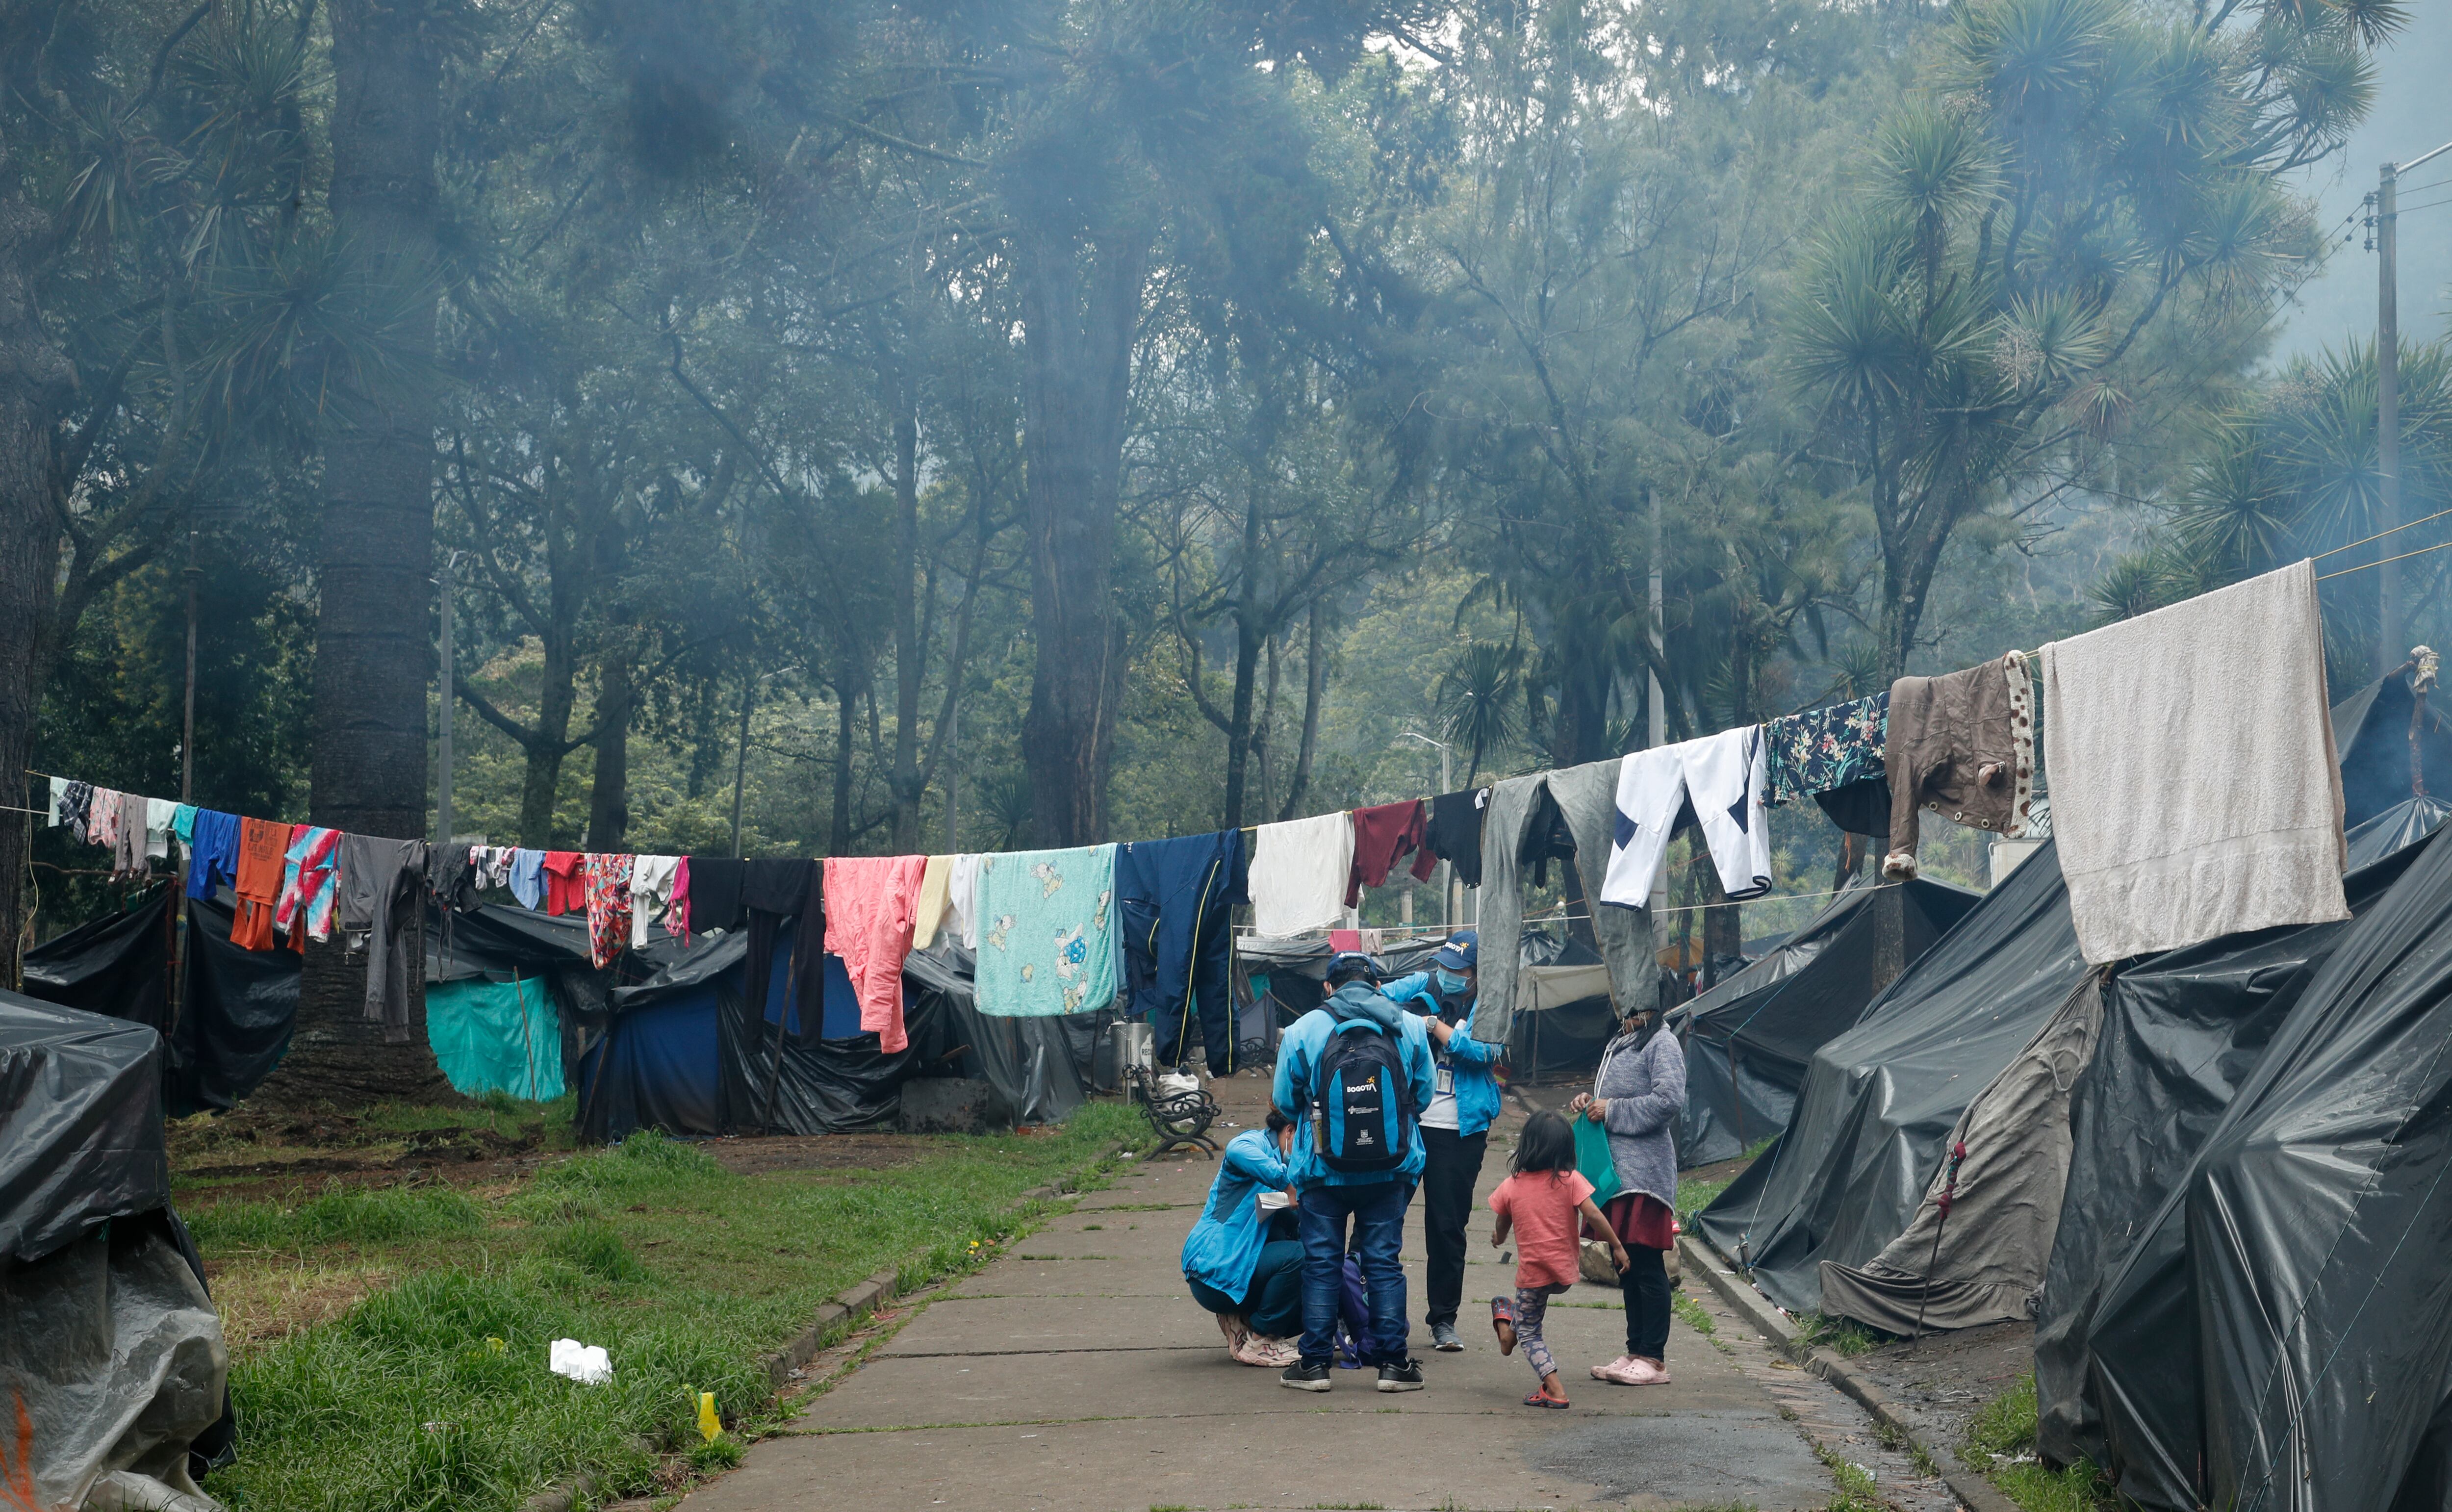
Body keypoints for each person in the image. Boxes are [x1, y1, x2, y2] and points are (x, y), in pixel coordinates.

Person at [1271, 950, 1437, 1393]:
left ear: (1329, 987)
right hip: (1390, 1170)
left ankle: (1314, 1365)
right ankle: (1394, 1365)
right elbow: (1422, 1096)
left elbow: (1286, 1101)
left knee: (1321, 1264)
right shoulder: (1409, 1027)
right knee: (1383, 1262)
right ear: (1377, 984)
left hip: (1322, 1170)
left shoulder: (1305, 1029)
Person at [1381, 929, 1501, 1353]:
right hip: (1412, 1122)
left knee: (1447, 1227)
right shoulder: (1426, 983)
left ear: (1476, 975)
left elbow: (1485, 1051)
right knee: (1384, 1215)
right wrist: (1411, 1013)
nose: (1446, 975)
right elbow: (1378, 998)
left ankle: (1443, 1321)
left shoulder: (1495, 1003)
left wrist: (1434, 1025)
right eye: (1443, 965)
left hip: (1461, 1130)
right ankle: (1369, 1311)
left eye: (1457, 970)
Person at [1571, 995, 1687, 1385]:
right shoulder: (1623, 1041)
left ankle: (1654, 1359)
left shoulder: (1662, 1042)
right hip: (1618, 1176)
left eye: (1633, 1006)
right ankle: (1635, 1349)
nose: (1625, 1013)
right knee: (1628, 1266)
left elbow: (1669, 1100)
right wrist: (1591, 1102)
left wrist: (1613, 1110)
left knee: (1647, 1264)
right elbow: (1614, 1096)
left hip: (1645, 1175)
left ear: (1650, 1007)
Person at [1487, 1109, 1629, 1408]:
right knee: (1525, 1319)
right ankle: (1505, 1330)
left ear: (1527, 1146)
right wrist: (1616, 1246)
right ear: (1567, 1148)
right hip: (1562, 1274)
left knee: (1529, 1332)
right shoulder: (1571, 1180)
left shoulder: (1512, 1185)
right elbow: (1593, 1213)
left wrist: (1499, 1238)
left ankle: (1555, 1389)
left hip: (1534, 1274)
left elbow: (1502, 1221)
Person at [1182, 1109, 1304, 1367]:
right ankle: (1261, 1341)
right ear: (1289, 1131)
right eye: (1302, 1142)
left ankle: (1241, 1322)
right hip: (1213, 1268)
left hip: (1223, 1274)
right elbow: (1236, 1149)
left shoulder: (1286, 1168)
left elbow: (1263, 1209)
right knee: (1300, 1257)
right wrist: (1287, 1185)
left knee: (1303, 1250)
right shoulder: (1256, 1143)